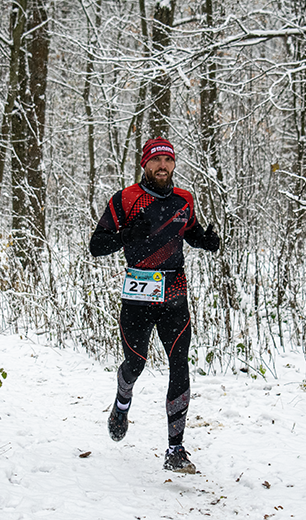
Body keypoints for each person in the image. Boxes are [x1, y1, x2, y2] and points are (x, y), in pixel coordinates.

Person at [89, 137, 220, 473]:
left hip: (175, 296)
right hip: (138, 298)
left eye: (168, 161)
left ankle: (175, 450)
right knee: (135, 365)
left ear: (174, 164)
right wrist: (125, 237)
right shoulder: (125, 200)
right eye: (156, 161)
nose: (163, 166)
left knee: (180, 367)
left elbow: (187, 230)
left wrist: (203, 240)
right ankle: (122, 402)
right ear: (145, 164)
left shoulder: (184, 199)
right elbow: (97, 245)